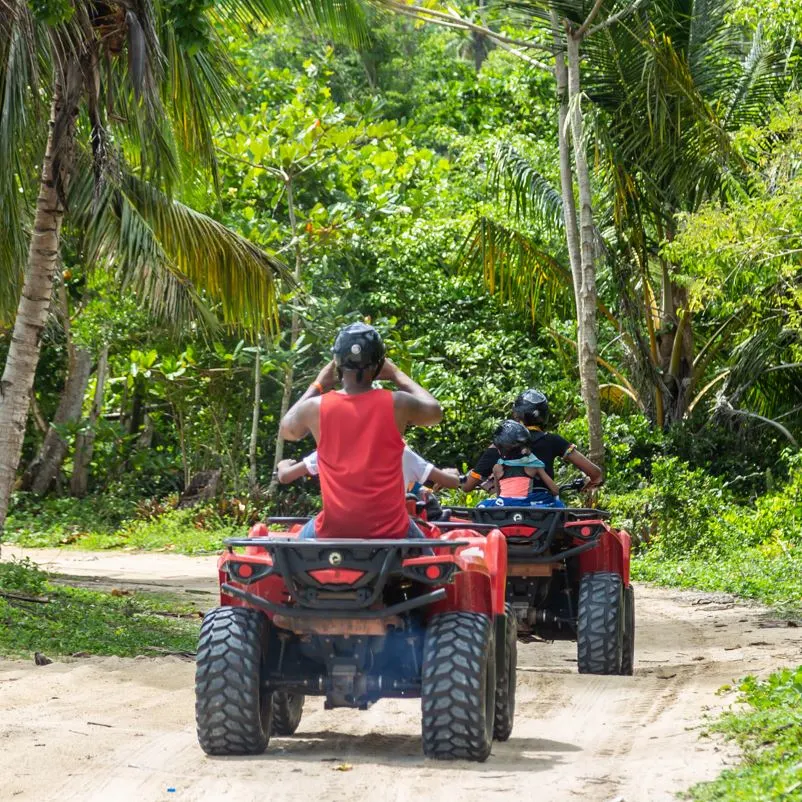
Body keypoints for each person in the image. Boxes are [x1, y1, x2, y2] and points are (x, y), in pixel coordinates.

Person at [279, 322, 442, 540]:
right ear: (379, 364)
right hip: (393, 531)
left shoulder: (314, 408)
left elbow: (287, 429)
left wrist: (318, 383)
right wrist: (396, 374)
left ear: (336, 363)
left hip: (332, 530)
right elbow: (436, 412)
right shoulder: (398, 403)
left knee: (295, 557)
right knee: (434, 565)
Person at [462, 389, 602, 504]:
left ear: (517, 415)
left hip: (507, 509)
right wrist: (588, 483)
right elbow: (595, 474)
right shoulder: (553, 440)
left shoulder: (498, 445)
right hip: (544, 509)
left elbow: (468, 486)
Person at [276, 445, 461, 494]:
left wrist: (283, 464)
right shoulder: (400, 452)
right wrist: (451, 473)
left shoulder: (331, 449)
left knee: (295, 553)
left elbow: (284, 477)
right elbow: (452, 482)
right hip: (390, 529)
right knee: (432, 555)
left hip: (338, 527)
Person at [476, 420, 560, 507]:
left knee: (481, 505)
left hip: (504, 504)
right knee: (556, 503)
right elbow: (555, 490)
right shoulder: (534, 466)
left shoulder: (497, 468)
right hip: (525, 504)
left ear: (501, 448)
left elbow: (499, 495)